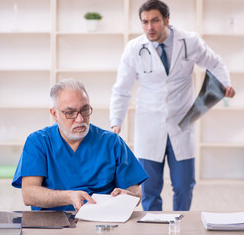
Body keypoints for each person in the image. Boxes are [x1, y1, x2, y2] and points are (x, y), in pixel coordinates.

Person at [110, 0, 235, 211]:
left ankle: (182, 227)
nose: (150, 27)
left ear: (167, 20)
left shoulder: (190, 41)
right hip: (149, 125)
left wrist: (225, 83)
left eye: (155, 20)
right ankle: (154, 229)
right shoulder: (134, 49)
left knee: (184, 186)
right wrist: (116, 121)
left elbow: (215, 63)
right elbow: (121, 89)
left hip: (182, 123)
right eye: (145, 22)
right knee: (149, 189)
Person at [12, 79, 148, 211]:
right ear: (54, 114)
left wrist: (128, 195)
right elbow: (29, 194)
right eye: (70, 113)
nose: (80, 119)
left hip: (101, 221)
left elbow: (136, 191)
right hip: (51, 222)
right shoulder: (38, 142)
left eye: (84, 110)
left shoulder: (112, 143)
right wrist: (69, 197)